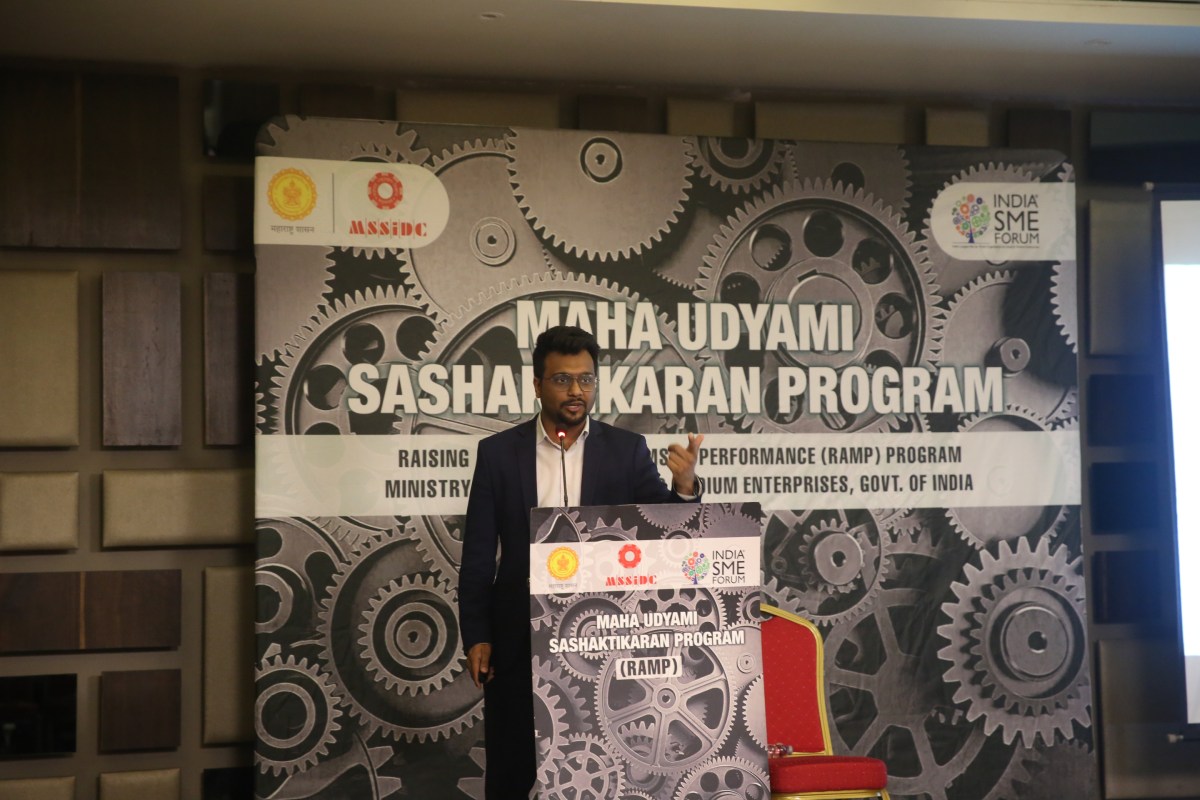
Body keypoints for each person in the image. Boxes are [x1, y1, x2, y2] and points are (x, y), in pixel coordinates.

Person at [457, 324, 704, 799]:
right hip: (518, 637)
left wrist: (686, 486)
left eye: (586, 379)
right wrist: (477, 634)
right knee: (514, 769)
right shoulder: (498, 454)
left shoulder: (625, 450)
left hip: (606, 639)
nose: (576, 391)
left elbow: (666, 533)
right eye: (562, 379)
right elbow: (478, 554)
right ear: (537, 385)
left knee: (602, 772)